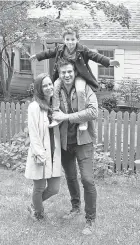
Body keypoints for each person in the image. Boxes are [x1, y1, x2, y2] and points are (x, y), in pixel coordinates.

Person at [30, 25, 120, 130]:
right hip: (63, 75)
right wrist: (37, 56)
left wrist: (109, 62)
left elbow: (96, 56)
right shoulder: (60, 49)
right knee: (55, 87)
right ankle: (55, 116)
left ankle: (82, 120)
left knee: (80, 90)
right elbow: (49, 53)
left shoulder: (83, 50)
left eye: (73, 39)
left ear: (77, 39)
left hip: (79, 75)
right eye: (67, 39)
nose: (70, 42)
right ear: (63, 40)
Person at [52, 58, 98, 235]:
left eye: (69, 71)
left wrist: (67, 117)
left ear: (75, 72)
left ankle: (90, 219)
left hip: (83, 140)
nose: (66, 75)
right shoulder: (55, 90)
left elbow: (94, 111)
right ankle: (75, 207)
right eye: (63, 72)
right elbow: (49, 109)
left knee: (87, 179)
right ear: (59, 73)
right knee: (71, 177)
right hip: (64, 141)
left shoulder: (85, 88)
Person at [25, 73, 61, 221]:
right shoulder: (34, 107)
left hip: (54, 152)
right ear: (39, 88)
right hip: (40, 152)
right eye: (44, 85)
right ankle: (39, 214)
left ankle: (33, 205)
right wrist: (39, 153)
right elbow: (33, 132)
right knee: (39, 187)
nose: (48, 88)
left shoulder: (56, 105)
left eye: (50, 84)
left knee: (54, 188)